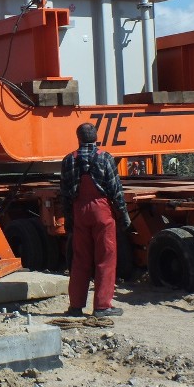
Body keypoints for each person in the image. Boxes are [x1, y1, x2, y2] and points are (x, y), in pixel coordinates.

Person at [60, 123, 132, 318]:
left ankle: (75, 306)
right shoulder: (105, 158)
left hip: (79, 213)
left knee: (80, 260)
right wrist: (124, 215)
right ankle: (102, 306)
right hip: (102, 213)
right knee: (106, 259)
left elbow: (65, 193)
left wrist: (68, 218)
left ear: (78, 138)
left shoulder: (69, 160)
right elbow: (116, 190)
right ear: (96, 137)